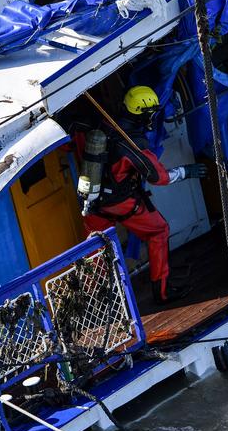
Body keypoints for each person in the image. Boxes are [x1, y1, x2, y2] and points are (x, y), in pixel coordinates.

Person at [83, 86, 206, 304]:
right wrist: (187, 171)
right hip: (119, 202)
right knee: (159, 231)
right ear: (143, 114)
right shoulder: (133, 144)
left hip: (91, 201)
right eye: (151, 113)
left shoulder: (107, 125)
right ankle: (162, 292)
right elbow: (158, 178)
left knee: (95, 249)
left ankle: (95, 303)